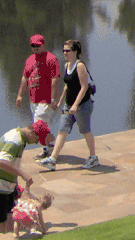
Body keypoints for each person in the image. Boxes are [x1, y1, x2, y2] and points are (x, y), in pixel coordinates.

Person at [0, 119, 51, 233]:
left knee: (10, 218)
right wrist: (23, 174)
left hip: (5, 185)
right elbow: (1, 162)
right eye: (37, 139)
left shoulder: (19, 137)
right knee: (0, 223)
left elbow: (11, 162)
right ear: (33, 132)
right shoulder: (16, 141)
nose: (36, 142)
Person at [37, 40, 98, 171]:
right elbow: (67, 86)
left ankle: (93, 157)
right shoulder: (66, 66)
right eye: (63, 50)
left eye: (67, 51)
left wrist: (75, 105)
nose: (65, 53)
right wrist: (60, 102)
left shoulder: (80, 66)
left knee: (85, 131)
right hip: (68, 105)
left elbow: (84, 87)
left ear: (75, 52)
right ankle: (52, 159)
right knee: (62, 131)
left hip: (82, 105)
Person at [15, 34, 61, 157]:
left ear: (43, 45)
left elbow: (55, 79)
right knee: (44, 126)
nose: (35, 48)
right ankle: (48, 149)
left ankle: (53, 145)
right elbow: (25, 78)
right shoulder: (30, 60)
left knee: (38, 125)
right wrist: (20, 95)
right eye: (33, 46)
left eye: (38, 45)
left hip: (46, 100)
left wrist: (53, 98)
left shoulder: (51, 59)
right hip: (33, 100)